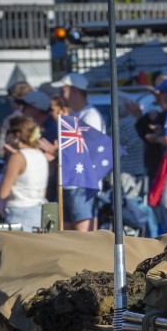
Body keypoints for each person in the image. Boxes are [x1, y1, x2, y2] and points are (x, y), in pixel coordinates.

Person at [51, 73, 104, 231]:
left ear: (74, 91)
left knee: (84, 236)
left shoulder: (90, 115)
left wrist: (56, 150)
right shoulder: (76, 114)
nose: (61, 95)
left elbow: (87, 150)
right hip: (71, 183)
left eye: (63, 91)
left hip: (83, 184)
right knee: (70, 236)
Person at [0, 115, 49, 230]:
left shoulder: (18, 157)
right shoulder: (41, 156)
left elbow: (3, 193)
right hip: (40, 212)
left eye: (8, 132)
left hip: (20, 214)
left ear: (17, 135)